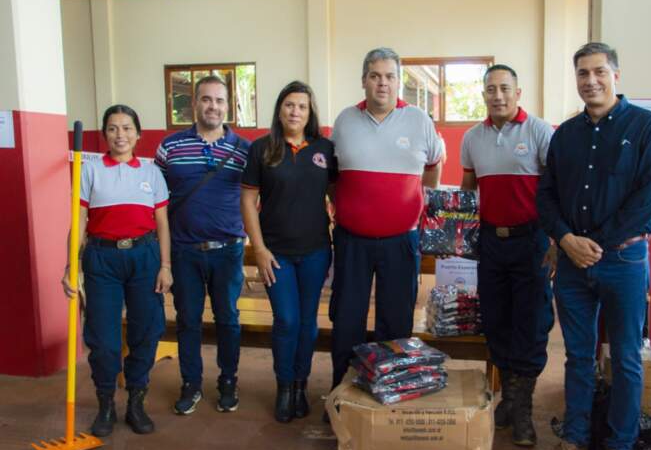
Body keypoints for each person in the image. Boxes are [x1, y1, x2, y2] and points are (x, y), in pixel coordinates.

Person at [533, 42, 651, 450]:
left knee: (626, 358)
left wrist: (599, 244)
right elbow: (546, 196)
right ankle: (574, 441)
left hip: (624, 261)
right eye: (582, 74)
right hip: (572, 263)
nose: (590, 81)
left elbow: (650, 197)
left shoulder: (647, 127)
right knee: (576, 356)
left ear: (616, 74)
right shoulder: (566, 134)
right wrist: (567, 240)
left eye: (598, 72)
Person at [328, 47, 443, 404]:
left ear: (399, 81)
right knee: (347, 320)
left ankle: (390, 393)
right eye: (375, 76)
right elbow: (332, 176)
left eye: (390, 76)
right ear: (364, 80)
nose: (382, 83)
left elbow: (434, 168)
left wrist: (418, 201)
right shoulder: (345, 120)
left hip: (401, 241)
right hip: (352, 241)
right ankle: (343, 395)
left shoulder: (420, 120)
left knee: (395, 323)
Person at [61, 104, 171, 437]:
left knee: (145, 332)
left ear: (138, 134)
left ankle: (136, 403)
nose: (120, 135)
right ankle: (106, 404)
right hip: (101, 260)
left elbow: (163, 224)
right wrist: (70, 264)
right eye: (112, 128)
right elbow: (79, 222)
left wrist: (165, 266)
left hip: (145, 257)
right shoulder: (90, 170)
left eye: (126, 128)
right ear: (105, 134)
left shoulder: (151, 173)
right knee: (104, 339)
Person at [460, 64, 554, 447]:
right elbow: (467, 192)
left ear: (518, 92)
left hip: (532, 241)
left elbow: (556, 189)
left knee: (531, 323)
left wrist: (554, 242)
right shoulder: (472, 138)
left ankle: (522, 408)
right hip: (490, 243)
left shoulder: (539, 132)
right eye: (490, 89)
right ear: (483, 94)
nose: (497, 95)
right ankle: (509, 398)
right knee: (496, 321)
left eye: (504, 88)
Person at [241, 81, 336, 422]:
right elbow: (248, 203)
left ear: (310, 113)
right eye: (289, 105)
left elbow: (338, 196)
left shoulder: (325, 148)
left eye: (302, 106)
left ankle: (301, 385)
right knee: (287, 320)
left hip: (315, 252)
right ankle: (283, 386)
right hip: (275, 254)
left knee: (308, 324)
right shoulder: (262, 149)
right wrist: (260, 250)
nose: (295, 111)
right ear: (279, 110)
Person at [155, 75, 251, 415]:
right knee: (188, 321)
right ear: (194, 104)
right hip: (183, 252)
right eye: (206, 99)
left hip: (227, 251)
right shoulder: (170, 147)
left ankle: (228, 381)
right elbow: (157, 199)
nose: (213, 106)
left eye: (220, 100)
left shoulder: (244, 149)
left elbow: (255, 198)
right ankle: (191, 383)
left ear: (229, 106)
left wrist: (245, 230)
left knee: (228, 319)